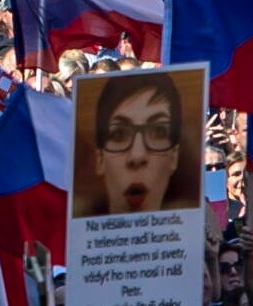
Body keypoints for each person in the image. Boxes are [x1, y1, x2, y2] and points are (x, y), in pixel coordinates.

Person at [78, 71, 195, 217]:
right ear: (100, 159)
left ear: (174, 157)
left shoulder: (202, 231)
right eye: (119, 134)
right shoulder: (70, 237)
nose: (137, 155)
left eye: (158, 132)